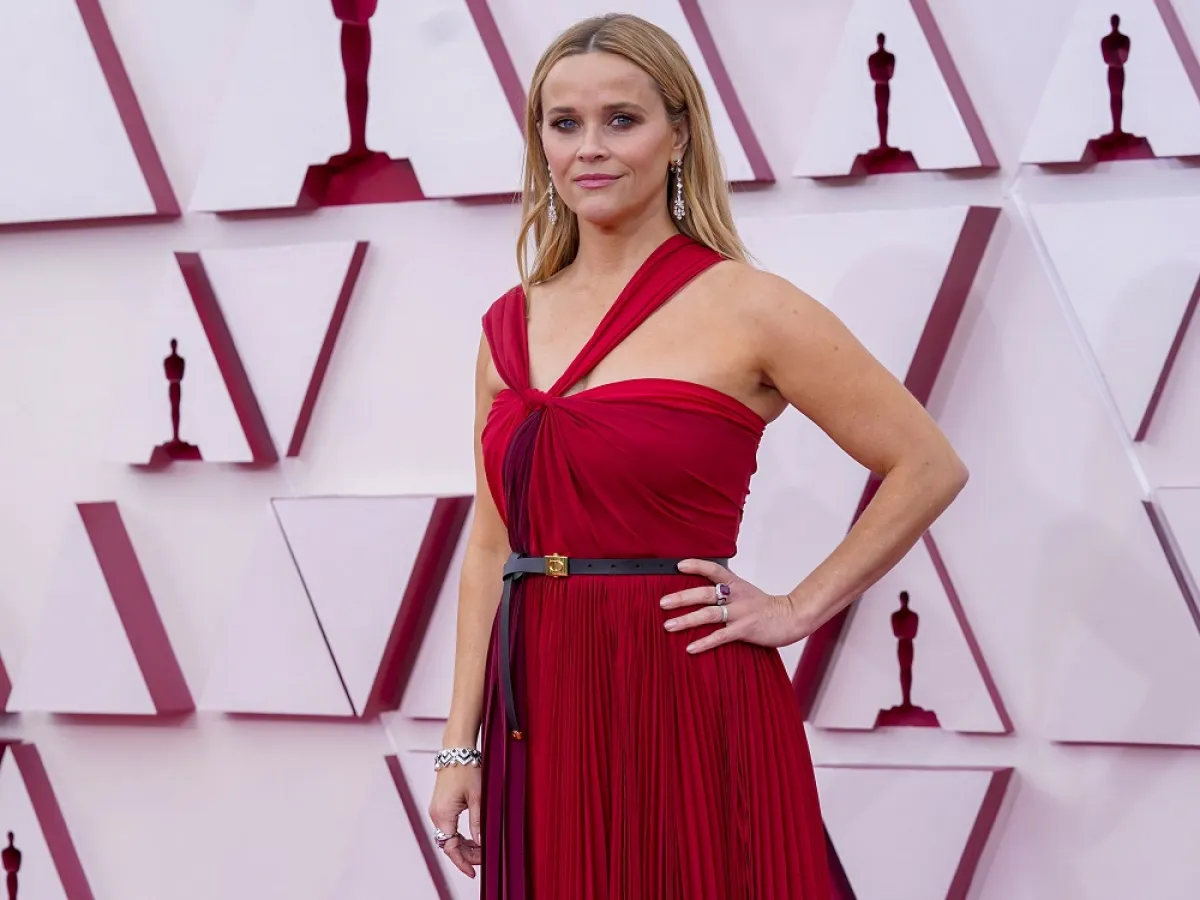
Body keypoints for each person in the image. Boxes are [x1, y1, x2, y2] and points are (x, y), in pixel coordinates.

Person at [427, 13, 968, 898]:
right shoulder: (507, 325)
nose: (590, 148)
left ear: (679, 135)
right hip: (541, 702)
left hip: (684, 690)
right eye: (564, 123)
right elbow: (492, 544)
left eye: (621, 119)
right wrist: (461, 744)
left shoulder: (752, 307)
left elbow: (927, 464)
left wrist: (796, 608)